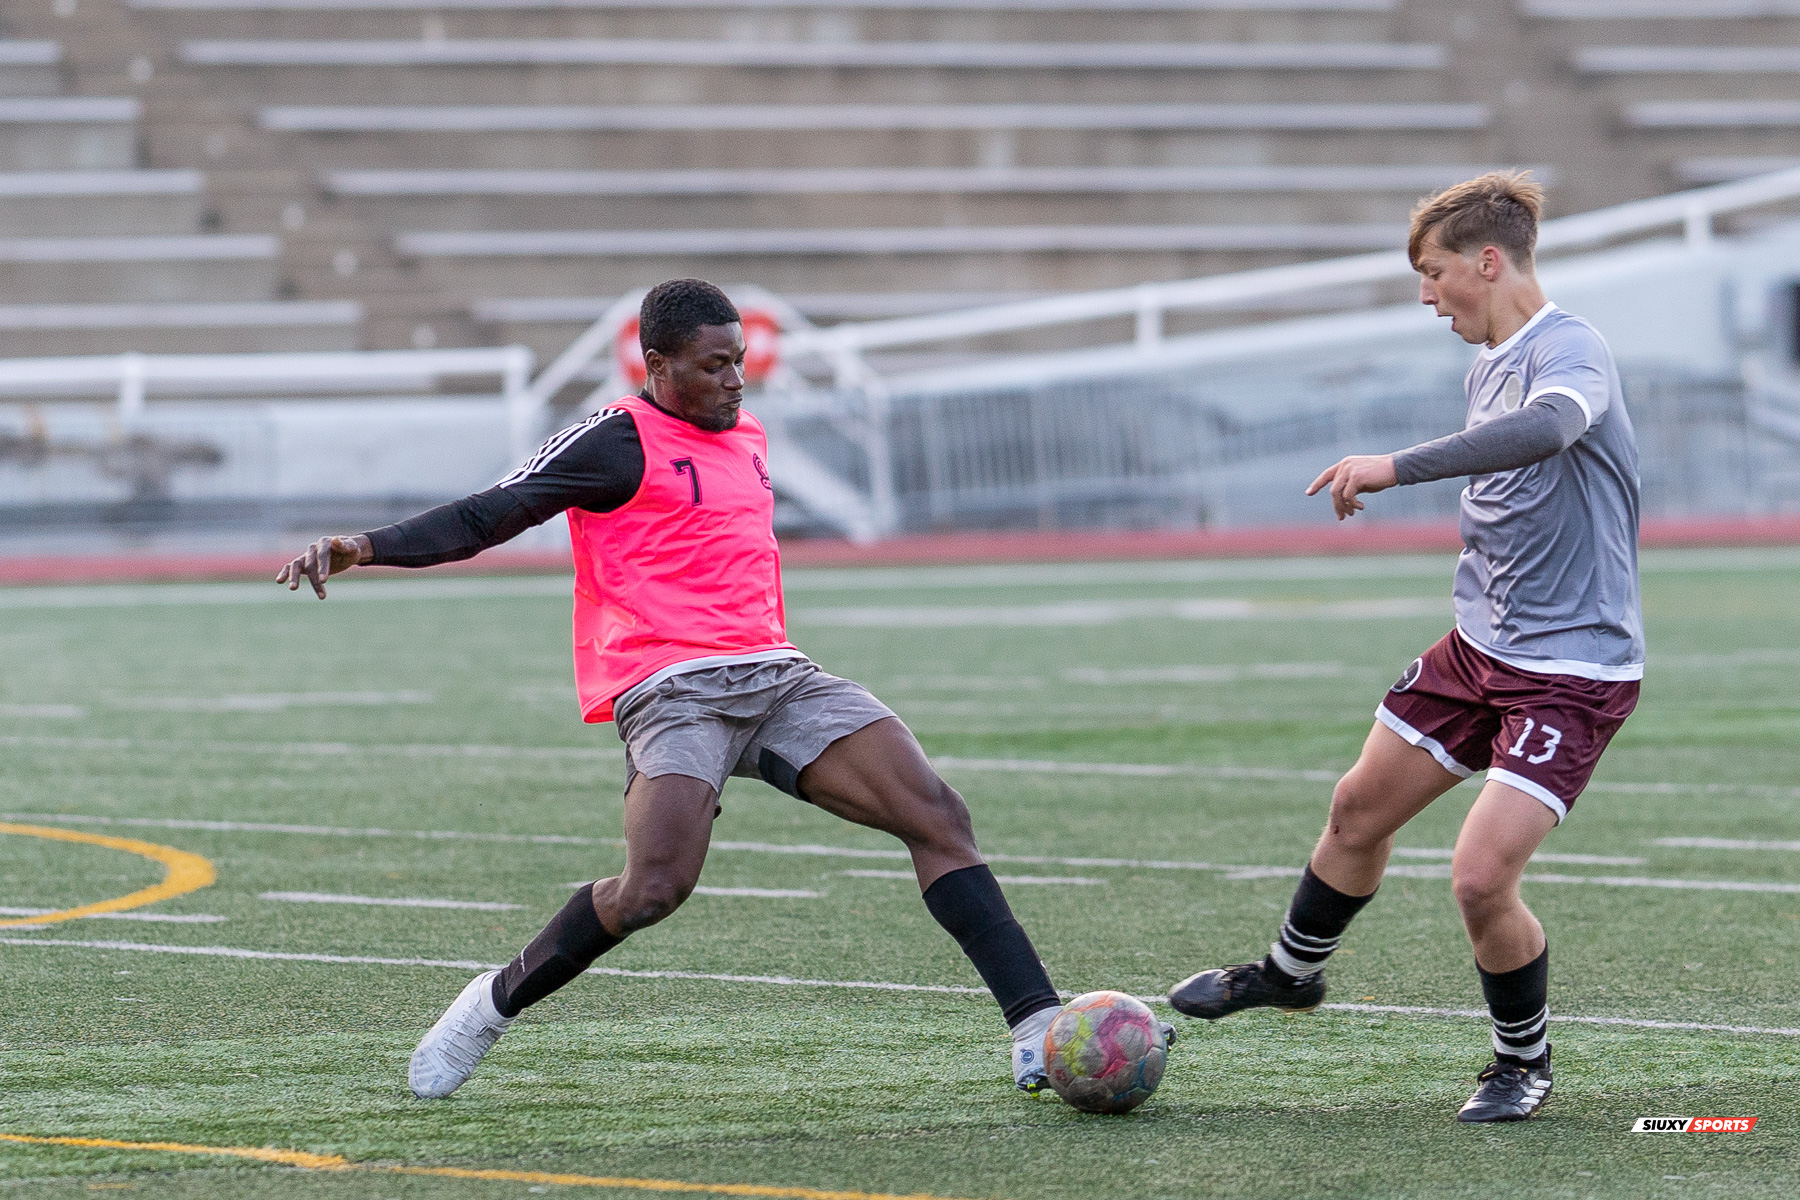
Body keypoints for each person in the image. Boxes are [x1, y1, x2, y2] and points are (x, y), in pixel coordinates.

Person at [278, 279, 1122, 1101]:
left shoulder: (748, 435)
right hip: (672, 691)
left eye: (739, 361)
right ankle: (488, 1008)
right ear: (657, 364)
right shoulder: (614, 438)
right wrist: (364, 544)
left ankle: (1033, 1030)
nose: (733, 379)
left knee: (938, 815)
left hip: (778, 678)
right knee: (652, 890)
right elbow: (485, 514)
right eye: (713, 364)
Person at [1165, 172, 1642, 1123]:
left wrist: (1394, 466)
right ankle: (1291, 975)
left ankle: (1522, 1062)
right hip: (1478, 651)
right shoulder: (1487, 363)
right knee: (1355, 811)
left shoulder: (1571, 348)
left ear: (1488, 261)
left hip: (1570, 671)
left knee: (1478, 877)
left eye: (1433, 273)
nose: (1427, 295)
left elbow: (1550, 431)